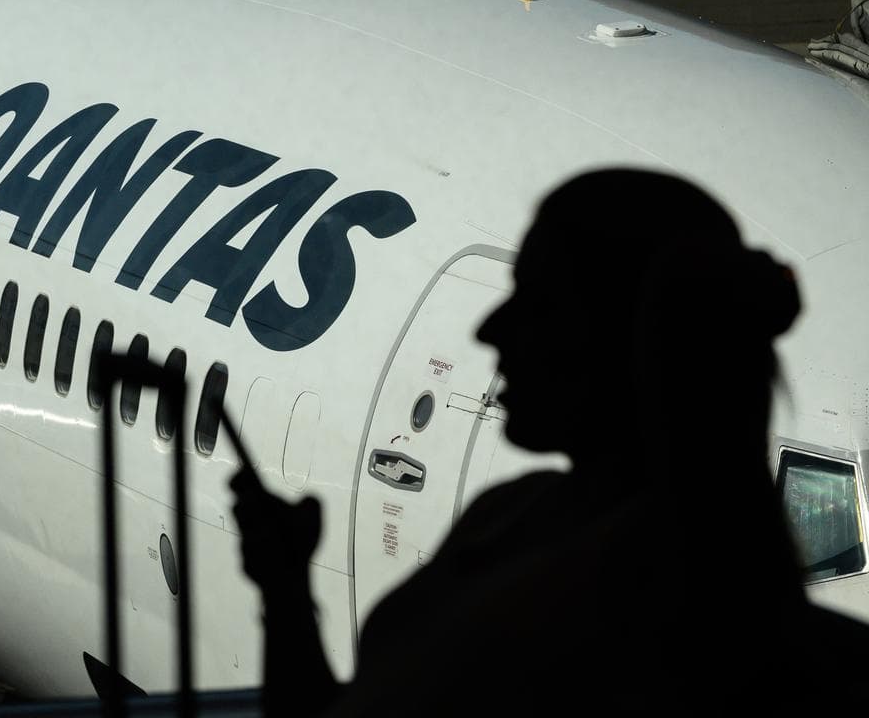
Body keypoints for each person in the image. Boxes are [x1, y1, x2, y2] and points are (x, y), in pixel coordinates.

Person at [230, 169, 869, 714]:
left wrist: (285, 598)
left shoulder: (552, 610)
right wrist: (285, 587)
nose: (490, 328)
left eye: (537, 302)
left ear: (628, 346)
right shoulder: (537, 525)